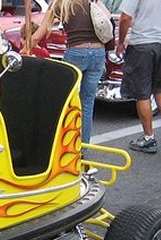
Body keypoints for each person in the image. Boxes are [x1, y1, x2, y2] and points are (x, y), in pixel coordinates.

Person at [31, 0, 110, 146]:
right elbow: (107, 17)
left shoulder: (59, 3)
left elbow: (38, 35)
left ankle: (61, 145)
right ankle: (83, 150)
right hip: (98, 52)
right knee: (87, 103)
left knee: (63, 99)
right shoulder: (90, 1)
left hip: (76, 51)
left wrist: (25, 48)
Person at [115, 0, 161, 154]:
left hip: (142, 43)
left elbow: (125, 18)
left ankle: (149, 138)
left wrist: (120, 43)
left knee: (142, 93)